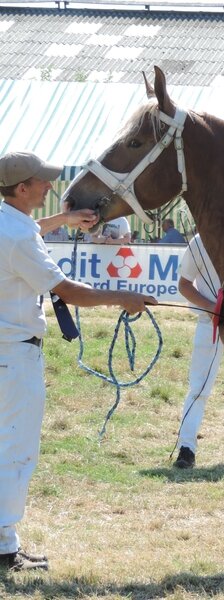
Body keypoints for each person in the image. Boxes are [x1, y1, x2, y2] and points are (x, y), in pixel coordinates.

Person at [0, 151, 156, 572]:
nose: (50, 186)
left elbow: (29, 229)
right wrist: (123, 297)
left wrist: (65, 222)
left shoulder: (8, 223)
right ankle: (4, 546)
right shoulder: (16, 237)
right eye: (42, 181)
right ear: (21, 188)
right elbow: (68, 291)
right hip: (14, 355)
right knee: (16, 450)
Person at [173, 233, 224, 469]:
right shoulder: (200, 242)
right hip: (208, 323)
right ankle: (186, 447)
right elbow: (184, 284)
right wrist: (212, 307)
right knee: (199, 387)